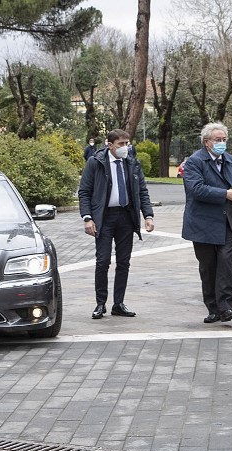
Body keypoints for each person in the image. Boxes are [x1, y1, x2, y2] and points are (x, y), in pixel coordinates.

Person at [78, 128, 155, 319]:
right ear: (110, 145)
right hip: (104, 217)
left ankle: (118, 303)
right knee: (103, 261)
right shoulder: (96, 162)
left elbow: (142, 191)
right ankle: (100, 303)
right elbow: (84, 192)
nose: (125, 148)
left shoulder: (132, 163)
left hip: (126, 217)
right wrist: (87, 217)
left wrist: (148, 215)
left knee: (123, 262)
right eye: (121, 144)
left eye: (127, 144)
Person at [182, 122, 232, 324]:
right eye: (217, 140)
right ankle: (213, 308)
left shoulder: (231, 161)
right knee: (208, 267)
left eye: (224, 140)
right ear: (206, 143)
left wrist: (230, 195)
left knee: (226, 264)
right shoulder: (194, 162)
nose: (221, 143)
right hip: (202, 223)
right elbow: (196, 189)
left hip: (227, 220)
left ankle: (226, 307)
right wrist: (224, 194)